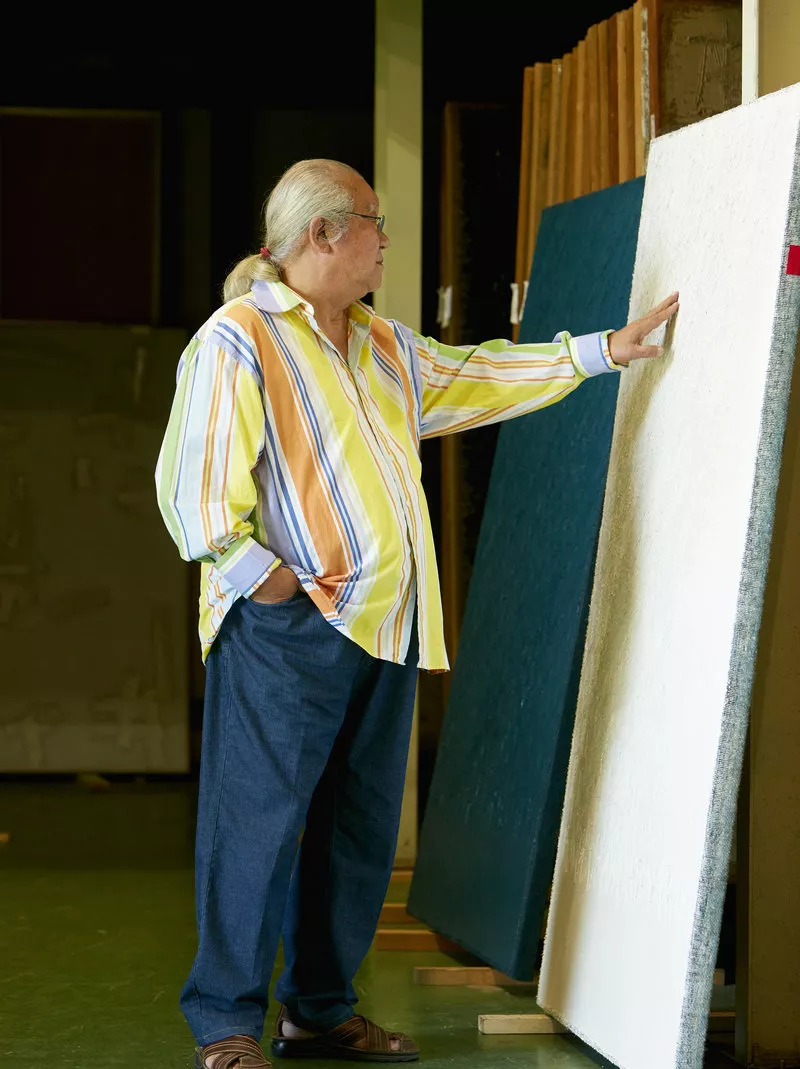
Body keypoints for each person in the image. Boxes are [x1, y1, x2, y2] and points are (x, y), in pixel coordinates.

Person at [155, 158, 679, 1069]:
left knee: (356, 832)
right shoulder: (238, 339)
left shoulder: (381, 343)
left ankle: (318, 1012)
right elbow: (191, 489)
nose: (385, 238)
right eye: (373, 220)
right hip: (287, 630)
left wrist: (601, 351)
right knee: (256, 827)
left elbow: (475, 374)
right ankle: (226, 1024)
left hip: (386, 624)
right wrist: (269, 583)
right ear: (322, 233)